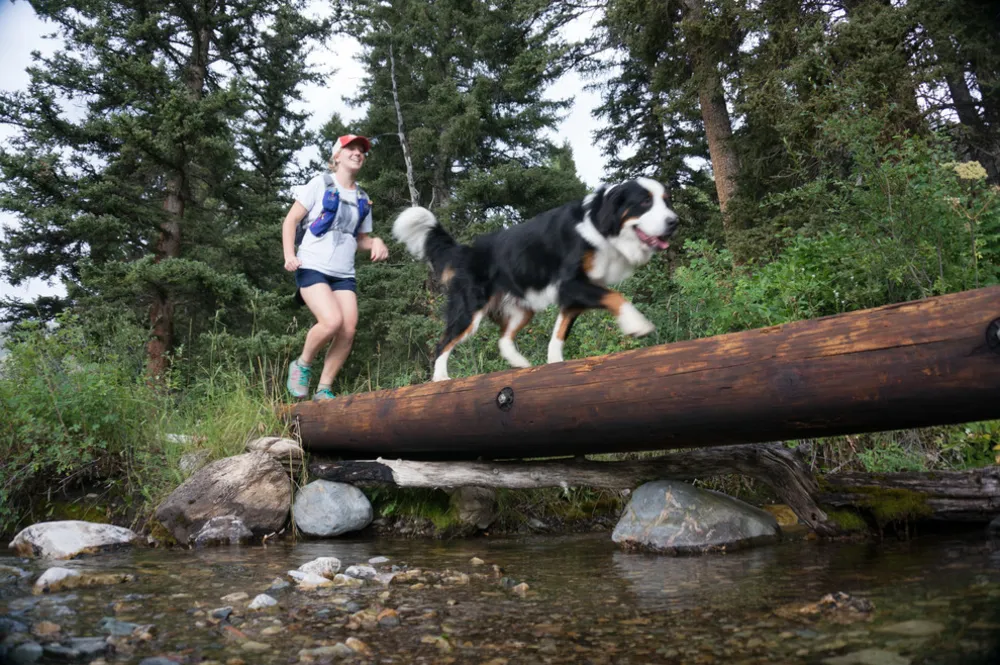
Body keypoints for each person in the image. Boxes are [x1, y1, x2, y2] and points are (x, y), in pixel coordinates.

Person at [281, 134, 389, 400]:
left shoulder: (363, 198)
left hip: (343, 273)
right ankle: (302, 365)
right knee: (331, 322)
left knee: (348, 328)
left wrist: (375, 242)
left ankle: (323, 389)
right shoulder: (320, 184)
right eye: (350, 148)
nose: (357, 153)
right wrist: (288, 255)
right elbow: (291, 221)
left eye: (361, 150)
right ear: (337, 156)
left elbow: (360, 239)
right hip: (312, 265)